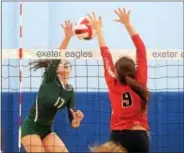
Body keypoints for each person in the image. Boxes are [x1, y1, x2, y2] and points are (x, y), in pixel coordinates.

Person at [88, 8, 150, 153]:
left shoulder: (112, 82)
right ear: (134, 69)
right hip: (138, 137)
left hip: (117, 137)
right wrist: (128, 24)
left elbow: (106, 56)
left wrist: (98, 30)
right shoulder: (140, 80)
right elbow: (141, 50)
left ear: (116, 72)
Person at [21, 20, 84, 153]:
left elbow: (74, 123)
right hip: (31, 127)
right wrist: (67, 38)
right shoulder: (49, 80)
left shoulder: (70, 91)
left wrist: (77, 119)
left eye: (67, 61)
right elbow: (58, 55)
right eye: (62, 61)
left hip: (48, 130)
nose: (65, 62)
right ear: (55, 69)